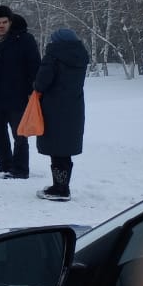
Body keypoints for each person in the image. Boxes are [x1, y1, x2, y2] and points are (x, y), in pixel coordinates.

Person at [0, 4, 41, 179]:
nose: (1, 25)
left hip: (17, 95)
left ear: (10, 22)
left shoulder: (25, 39)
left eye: (4, 22)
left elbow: (34, 67)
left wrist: (32, 90)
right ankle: (4, 164)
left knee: (19, 133)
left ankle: (20, 169)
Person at [32, 27, 88, 201]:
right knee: (65, 149)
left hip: (53, 108)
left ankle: (60, 189)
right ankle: (62, 185)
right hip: (74, 107)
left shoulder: (53, 57)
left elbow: (41, 83)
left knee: (56, 148)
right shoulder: (81, 57)